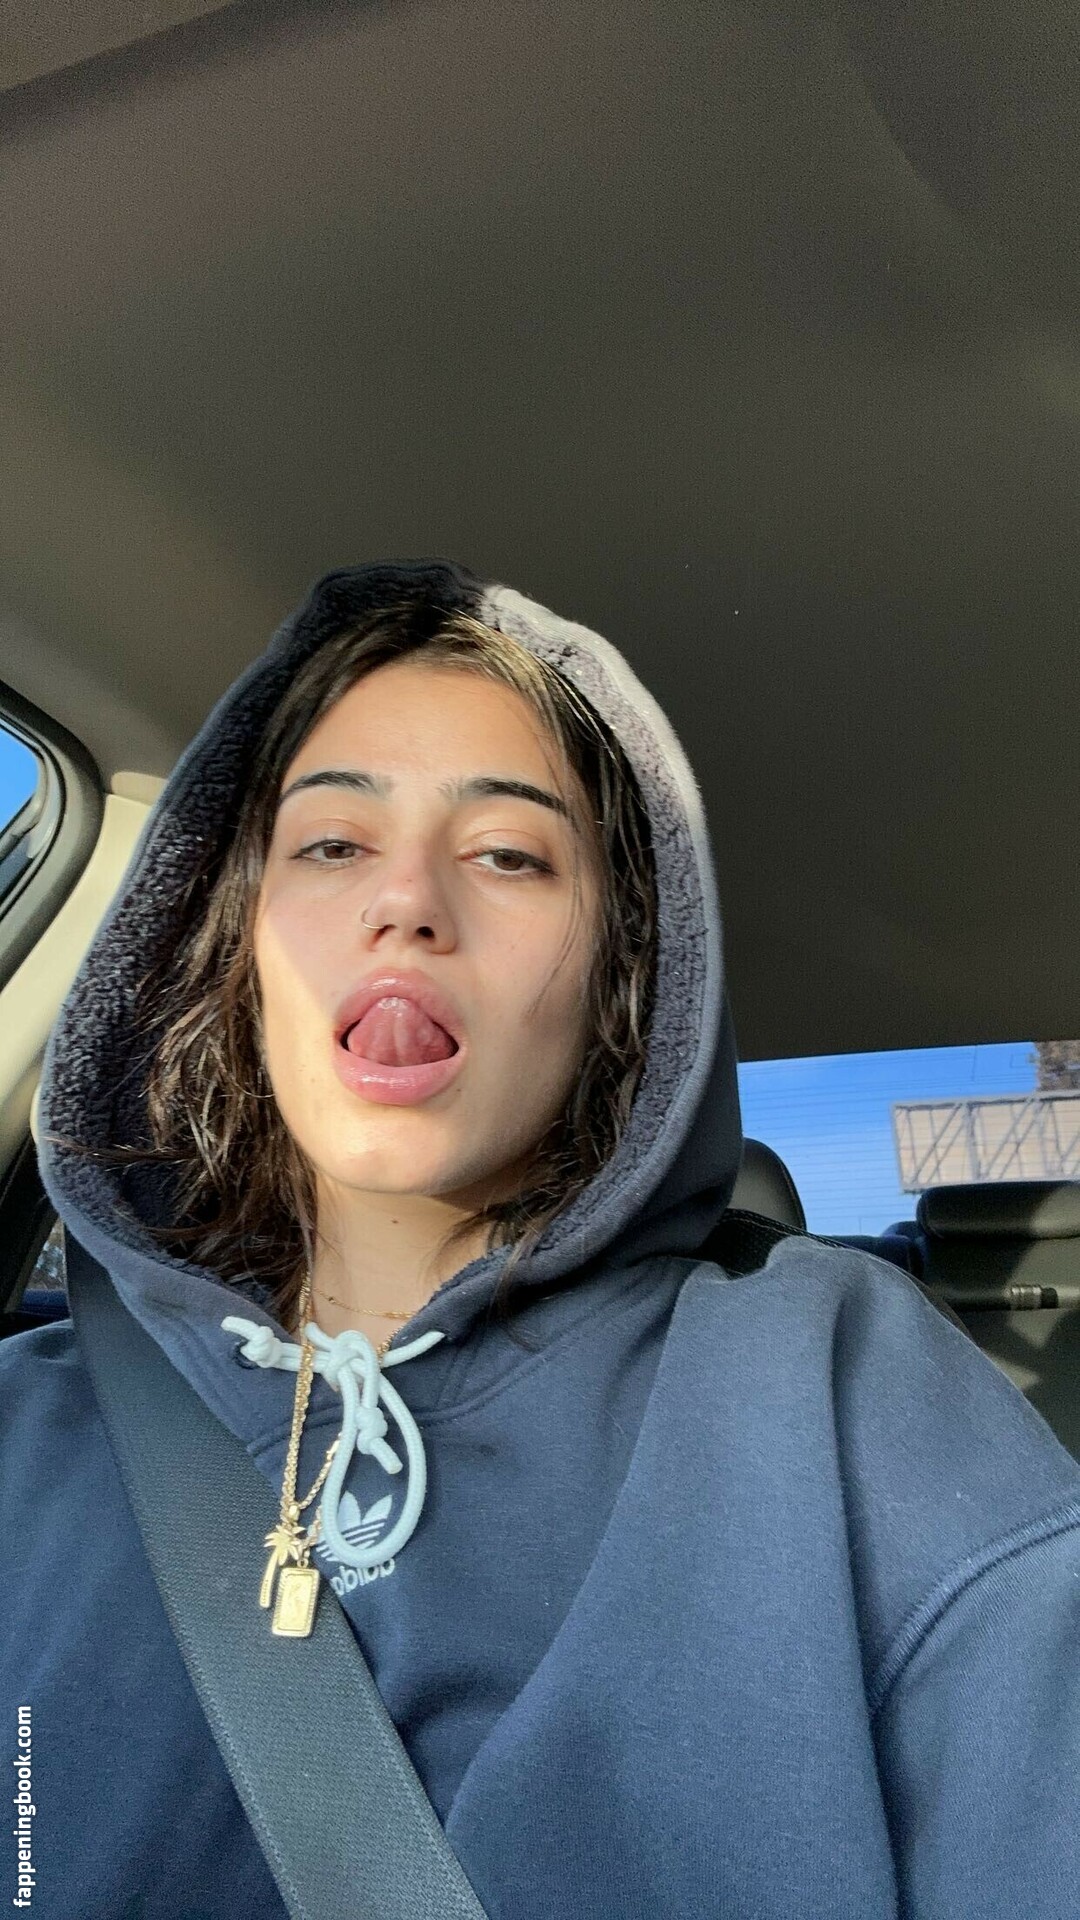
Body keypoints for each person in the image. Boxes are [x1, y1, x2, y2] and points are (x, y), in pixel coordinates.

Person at [3, 558, 1079, 1920]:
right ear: (229, 946)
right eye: (331, 844)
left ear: (623, 980)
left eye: (509, 854)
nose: (407, 901)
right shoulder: (27, 1430)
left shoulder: (839, 1384)